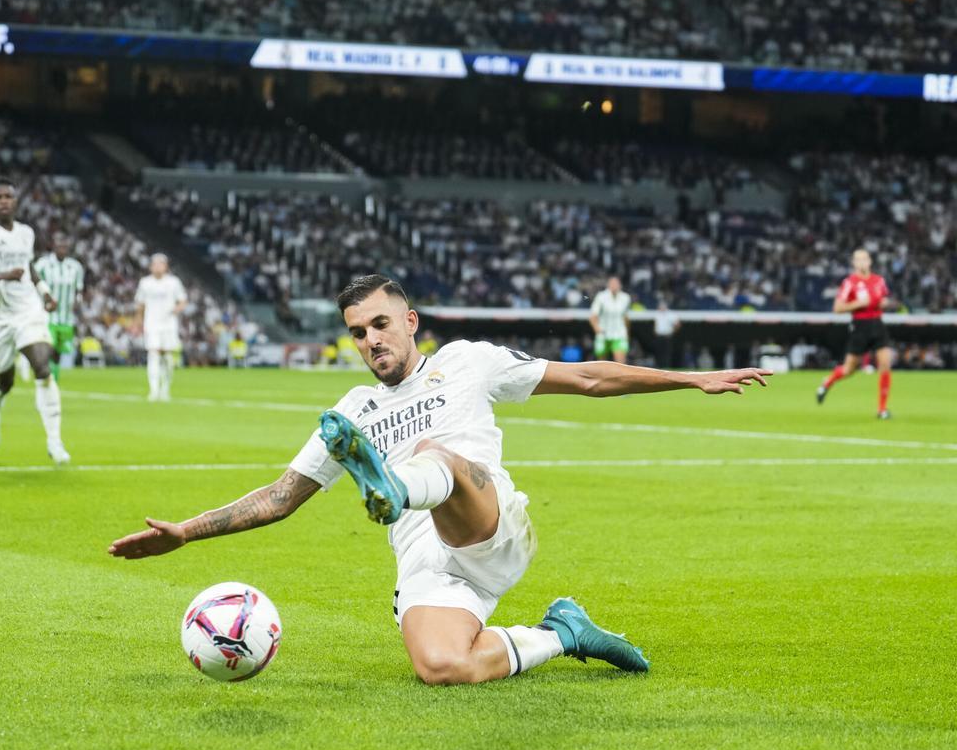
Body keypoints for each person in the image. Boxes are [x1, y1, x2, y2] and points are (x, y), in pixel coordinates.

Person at [109, 275, 772, 685]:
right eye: (358, 332)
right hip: (431, 566)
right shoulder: (353, 411)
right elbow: (281, 497)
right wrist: (186, 534)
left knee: (437, 454)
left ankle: (398, 488)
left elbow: (590, 377)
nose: (370, 340)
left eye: (380, 324)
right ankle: (565, 632)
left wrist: (690, 378)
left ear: (410, 323)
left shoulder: (466, 363)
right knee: (440, 667)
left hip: (488, 525)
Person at [0, 176, 70, 464]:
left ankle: (55, 441)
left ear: (16, 201)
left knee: (42, 366)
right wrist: (2, 275)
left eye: (8, 196)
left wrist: (44, 291)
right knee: (5, 382)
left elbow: (28, 267)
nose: (4, 201)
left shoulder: (26, 233)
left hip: (27, 311)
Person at [816, 249, 893, 419]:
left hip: (878, 325)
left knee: (886, 363)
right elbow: (837, 308)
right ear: (854, 263)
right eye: (858, 259)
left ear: (870, 261)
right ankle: (827, 382)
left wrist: (884, 303)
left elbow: (885, 300)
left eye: (864, 259)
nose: (862, 262)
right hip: (860, 326)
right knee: (849, 369)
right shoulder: (849, 283)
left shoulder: (879, 281)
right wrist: (858, 303)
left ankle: (882, 409)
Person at [133, 254, 187, 402]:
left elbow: (183, 301)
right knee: (153, 354)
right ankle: (154, 390)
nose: (158, 267)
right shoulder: (145, 283)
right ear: (151, 266)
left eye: (161, 264)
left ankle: (165, 389)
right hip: (152, 324)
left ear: (166, 266)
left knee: (168, 357)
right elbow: (140, 304)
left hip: (169, 324)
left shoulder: (173, 282)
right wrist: (137, 323)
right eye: (155, 264)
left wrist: (176, 309)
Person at [33, 238, 85, 381]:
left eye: (65, 247)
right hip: (47, 315)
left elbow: (79, 290)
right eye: (59, 247)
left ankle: (53, 377)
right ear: (53, 247)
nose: (62, 250)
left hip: (66, 317)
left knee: (58, 352)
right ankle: (45, 375)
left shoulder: (75, 267)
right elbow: (33, 283)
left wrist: (78, 303)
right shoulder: (43, 264)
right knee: (49, 346)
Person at [590, 276, 630, 363]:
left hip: (619, 333)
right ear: (608, 285)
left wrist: (626, 332)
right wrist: (597, 329)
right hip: (603, 333)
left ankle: (619, 376)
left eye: (616, 284)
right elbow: (593, 316)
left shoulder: (625, 298)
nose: (614, 286)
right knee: (601, 363)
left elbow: (625, 317)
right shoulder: (601, 297)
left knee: (620, 364)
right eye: (612, 283)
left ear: (620, 285)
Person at [652, 300, 680, 369]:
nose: (661, 307)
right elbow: (656, 324)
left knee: (667, 353)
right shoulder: (657, 314)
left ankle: (666, 367)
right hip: (659, 337)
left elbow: (678, 324)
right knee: (658, 352)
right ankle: (659, 367)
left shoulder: (670, 314)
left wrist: (673, 331)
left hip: (667, 336)